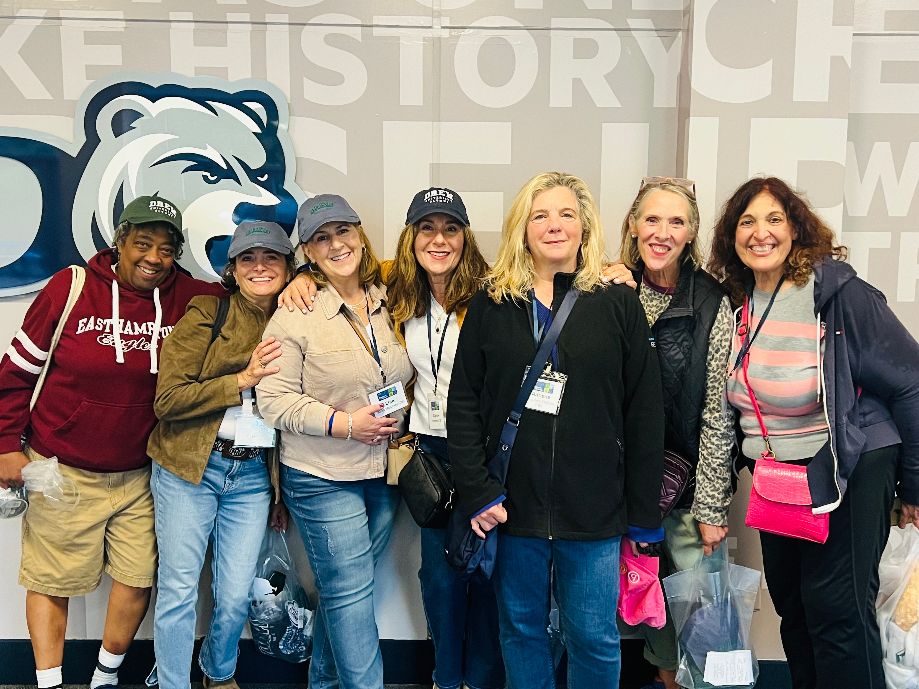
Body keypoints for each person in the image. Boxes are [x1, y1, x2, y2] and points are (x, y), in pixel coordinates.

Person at [447, 171, 666, 689]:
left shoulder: (616, 302)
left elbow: (644, 412)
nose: (554, 225)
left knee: (592, 636)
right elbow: (464, 403)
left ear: (584, 227)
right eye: (540, 215)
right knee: (521, 630)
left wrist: (643, 516)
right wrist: (478, 491)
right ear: (522, 229)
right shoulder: (492, 303)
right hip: (511, 505)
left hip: (594, 508)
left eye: (567, 214)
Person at [0, 196, 223, 689]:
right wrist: (5, 445)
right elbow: (16, 370)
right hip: (62, 469)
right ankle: (50, 683)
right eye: (142, 243)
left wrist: (300, 283)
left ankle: (105, 677)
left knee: (138, 578)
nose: (154, 258)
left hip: (143, 475)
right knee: (51, 580)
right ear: (119, 242)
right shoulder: (71, 287)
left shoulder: (192, 297)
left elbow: (252, 292)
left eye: (166, 249)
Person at [708, 176, 919, 689]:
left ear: (796, 229)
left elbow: (910, 381)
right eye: (747, 222)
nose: (760, 232)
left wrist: (914, 486)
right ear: (732, 237)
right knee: (795, 607)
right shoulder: (736, 303)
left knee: (837, 610)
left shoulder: (838, 295)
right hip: (778, 476)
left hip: (848, 466)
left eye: (774, 219)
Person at [256, 194, 414, 689]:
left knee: (347, 591)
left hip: (384, 472)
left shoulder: (392, 296)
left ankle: (322, 682)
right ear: (308, 251)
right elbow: (273, 401)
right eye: (321, 238)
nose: (336, 244)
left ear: (360, 234)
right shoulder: (295, 312)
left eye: (343, 231)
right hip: (322, 474)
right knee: (349, 591)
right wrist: (344, 424)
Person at [145, 221, 295, 689]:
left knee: (234, 596)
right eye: (248, 258)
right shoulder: (207, 311)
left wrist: (279, 493)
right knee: (178, 590)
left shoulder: (298, 319)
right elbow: (167, 400)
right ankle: (172, 682)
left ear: (289, 267)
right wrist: (241, 380)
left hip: (252, 476)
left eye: (271, 257)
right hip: (191, 468)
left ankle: (218, 670)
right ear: (232, 269)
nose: (259, 267)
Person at [615, 177, 735, 689]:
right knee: (651, 608)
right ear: (633, 226)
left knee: (705, 622)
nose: (662, 232)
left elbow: (718, 414)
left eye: (676, 222)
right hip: (627, 492)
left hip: (688, 497)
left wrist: (710, 508)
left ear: (690, 234)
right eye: (652, 219)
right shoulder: (612, 292)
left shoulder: (712, 303)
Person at [386, 187, 504, 689]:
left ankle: (482, 679)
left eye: (450, 228)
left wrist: (614, 269)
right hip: (429, 453)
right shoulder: (398, 290)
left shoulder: (494, 295)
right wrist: (302, 278)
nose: (439, 239)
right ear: (411, 237)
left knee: (488, 574)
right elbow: (340, 266)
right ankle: (446, 678)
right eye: (427, 228)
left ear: (465, 237)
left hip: (483, 454)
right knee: (439, 579)